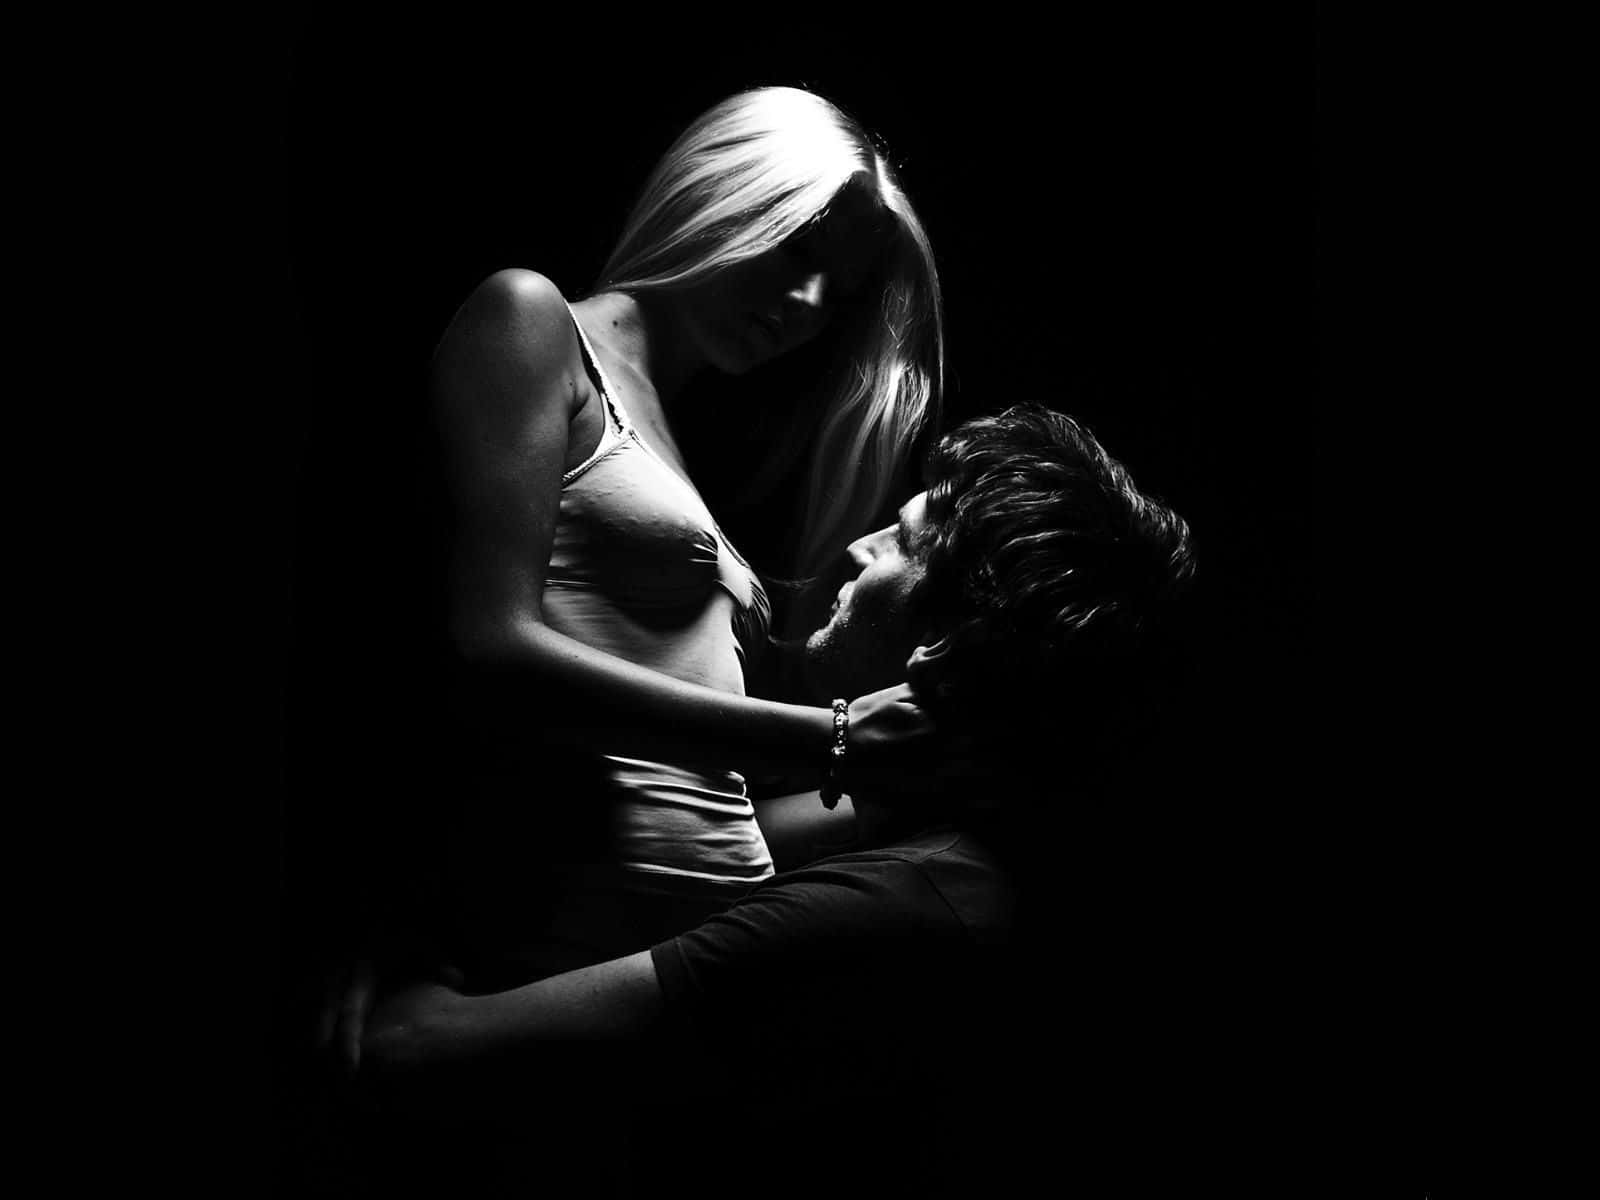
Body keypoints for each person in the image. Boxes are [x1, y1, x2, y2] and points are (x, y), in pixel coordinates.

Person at [358, 405, 1196, 1192]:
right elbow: (736, 833)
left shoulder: (901, 906)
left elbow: (409, 1046)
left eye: (899, 542)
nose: (859, 549)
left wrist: (401, 951)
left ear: (949, 641)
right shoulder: (947, 833)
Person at [414, 86, 946, 985]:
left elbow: (705, 802)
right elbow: (485, 648)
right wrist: (831, 737)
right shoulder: (530, 321)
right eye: (800, 247)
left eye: (839, 289)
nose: (809, 301)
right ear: (726, 191)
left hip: (692, 974)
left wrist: (915, 771)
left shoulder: (678, 451)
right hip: (557, 962)